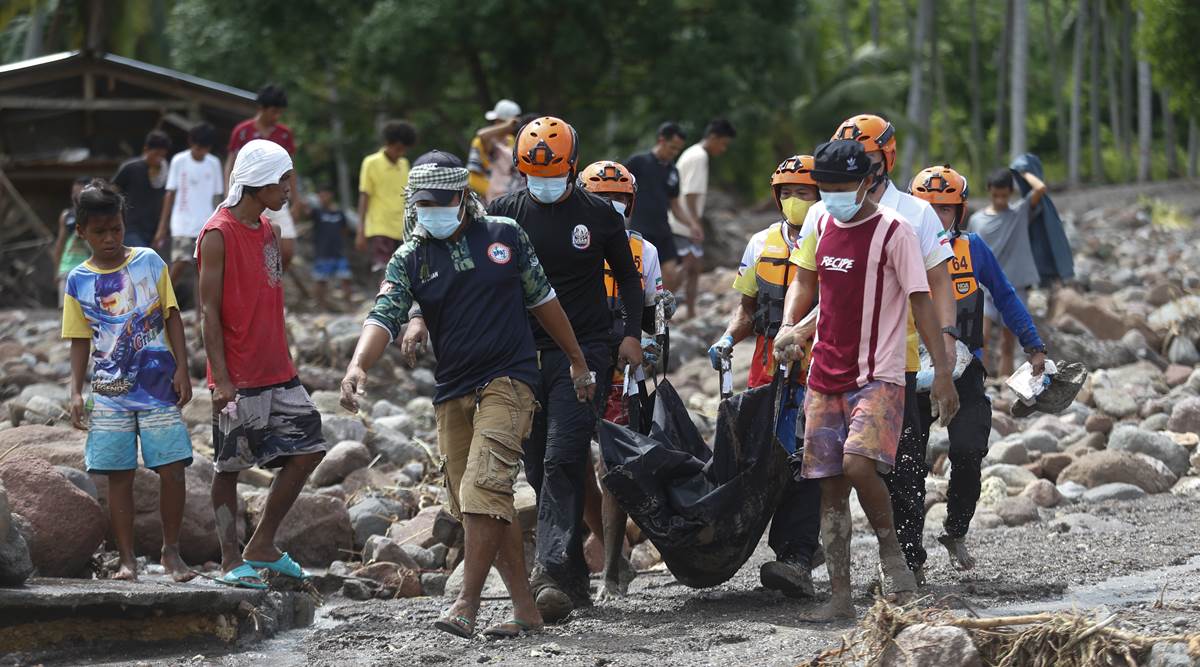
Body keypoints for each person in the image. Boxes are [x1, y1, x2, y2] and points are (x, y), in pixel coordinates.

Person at [341, 150, 591, 639]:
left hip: (511, 379)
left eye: (439, 201)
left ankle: (466, 603)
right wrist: (357, 364)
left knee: (484, 488)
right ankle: (525, 609)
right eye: (422, 202)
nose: (430, 210)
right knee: (479, 503)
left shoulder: (505, 235)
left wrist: (578, 359)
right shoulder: (412, 254)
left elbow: (543, 300)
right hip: (452, 388)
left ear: (461, 197)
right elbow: (384, 313)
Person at [773, 140, 959, 621]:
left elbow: (921, 300)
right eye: (825, 188)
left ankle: (893, 555)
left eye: (840, 187)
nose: (831, 196)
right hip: (824, 374)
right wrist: (792, 330)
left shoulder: (895, 231)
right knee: (829, 487)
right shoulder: (819, 223)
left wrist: (943, 373)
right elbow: (818, 292)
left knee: (858, 466)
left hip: (879, 373)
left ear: (865, 181)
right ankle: (839, 596)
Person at [486, 116, 644, 622]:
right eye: (535, 174)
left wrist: (631, 336)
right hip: (522, 355)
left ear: (572, 168)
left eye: (554, 173)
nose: (545, 183)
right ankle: (574, 577)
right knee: (539, 465)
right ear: (520, 169)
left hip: (586, 353)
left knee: (562, 455)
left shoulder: (599, 215)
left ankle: (549, 571)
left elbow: (629, 280)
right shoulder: (504, 213)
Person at [198, 139, 327, 589]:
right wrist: (221, 380)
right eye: (284, 181)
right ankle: (230, 560)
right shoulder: (217, 233)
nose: (290, 189)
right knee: (229, 467)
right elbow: (208, 312)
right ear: (260, 184)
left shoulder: (269, 230)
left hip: (279, 369)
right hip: (238, 376)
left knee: (310, 448)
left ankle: (262, 545)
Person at [910, 164, 1047, 572]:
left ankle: (955, 530)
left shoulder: (973, 249)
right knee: (907, 462)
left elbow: (1005, 295)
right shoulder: (897, 251)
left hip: (965, 367)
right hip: (910, 369)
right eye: (927, 209)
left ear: (961, 212)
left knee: (969, 452)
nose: (936, 218)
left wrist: (1033, 346)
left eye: (946, 210)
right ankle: (907, 554)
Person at [61, 180, 195, 582]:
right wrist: (75, 390)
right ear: (81, 232)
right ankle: (127, 560)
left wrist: (183, 369)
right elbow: (80, 339)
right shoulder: (77, 281)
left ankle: (172, 553)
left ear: (124, 224)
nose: (110, 239)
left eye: (116, 229)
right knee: (119, 475)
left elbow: (172, 315)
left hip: (158, 386)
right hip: (110, 392)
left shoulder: (149, 262)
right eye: (99, 232)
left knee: (172, 467)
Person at [708, 154, 823, 597]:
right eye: (788, 194)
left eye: (805, 194)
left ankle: (796, 555)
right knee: (763, 458)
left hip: (816, 370)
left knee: (805, 460)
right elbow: (747, 309)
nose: (795, 202)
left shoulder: (832, 241)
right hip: (766, 372)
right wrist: (725, 339)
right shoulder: (760, 244)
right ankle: (785, 547)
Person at [575, 159, 672, 598]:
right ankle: (583, 555)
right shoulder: (566, 247)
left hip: (622, 375)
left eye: (618, 200)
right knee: (567, 460)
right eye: (601, 199)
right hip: (574, 365)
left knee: (613, 466)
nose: (610, 207)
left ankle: (613, 566)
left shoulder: (644, 252)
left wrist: (650, 344)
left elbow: (652, 316)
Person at [967, 166, 1047, 376]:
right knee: (979, 338)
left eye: (1004, 195)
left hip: (1014, 288)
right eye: (996, 195)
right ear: (988, 191)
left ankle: (1004, 383)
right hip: (985, 288)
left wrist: (1022, 172)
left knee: (1008, 342)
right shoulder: (977, 220)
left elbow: (1040, 189)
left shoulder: (1018, 213)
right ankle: (979, 382)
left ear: (1010, 193)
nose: (1000, 200)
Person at [226, 84, 300, 269]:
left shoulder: (284, 134)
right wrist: (230, 193)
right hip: (249, 196)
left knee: (287, 247)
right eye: (274, 111)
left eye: (280, 112)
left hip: (277, 196)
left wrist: (296, 199)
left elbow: (291, 168)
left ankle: (270, 282)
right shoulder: (243, 131)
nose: (277, 117)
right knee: (247, 243)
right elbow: (232, 163)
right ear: (261, 108)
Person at [155, 122, 224, 318]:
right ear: (191, 143)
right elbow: (170, 193)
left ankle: (201, 316)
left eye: (204, 148)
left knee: (202, 272)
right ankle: (155, 303)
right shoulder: (179, 161)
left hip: (206, 223)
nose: (200, 151)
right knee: (179, 263)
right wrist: (162, 227)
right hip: (182, 223)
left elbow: (217, 196)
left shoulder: (213, 163)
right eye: (197, 147)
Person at [669, 118, 736, 319]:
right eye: (723, 143)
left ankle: (690, 311)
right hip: (683, 222)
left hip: (682, 220)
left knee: (694, 266)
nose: (723, 149)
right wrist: (695, 223)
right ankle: (660, 307)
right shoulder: (699, 157)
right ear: (713, 138)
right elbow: (690, 193)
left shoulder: (693, 153)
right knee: (687, 266)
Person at [624, 122, 688, 290]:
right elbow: (620, 187)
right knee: (640, 276)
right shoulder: (638, 162)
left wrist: (692, 224)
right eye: (672, 148)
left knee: (672, 273)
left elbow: (675, 204)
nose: (674, 153)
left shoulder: (673, 171)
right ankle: (644, 312)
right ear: (661, 140)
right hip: (641, 228)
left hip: (663, 228)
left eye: (678, 150)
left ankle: (662, 314)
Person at [356, 120, 417, 273]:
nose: (400, 153)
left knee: (403, 270)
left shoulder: (404, 164)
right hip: (380, 226)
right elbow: (364, 196)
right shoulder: (371, 162)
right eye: (397, 149)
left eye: (404, 150)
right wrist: (360, 231)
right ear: (388, 143)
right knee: (384, 269)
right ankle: (385, 297)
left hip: (402, 227)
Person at [111, 130, 170, 248]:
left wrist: (162, 229)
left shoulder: (166, 172)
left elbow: (167, 200)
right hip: (131, 228)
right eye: (156, 154)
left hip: (154, 230)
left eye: (162, 155)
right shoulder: (130, 168)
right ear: (146, 149)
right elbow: (112, 191)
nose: (159, 159)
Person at [468, 99, 522, 203]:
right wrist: (507, 125)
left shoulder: (510, 140)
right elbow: (482, 134)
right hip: (486, 193)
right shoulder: (484, 140)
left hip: (505, 190)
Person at [310, 184, 354, 309]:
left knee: (345, 279)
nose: (322, 198)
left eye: (325, 194)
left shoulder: (340, 213)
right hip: (322, 253)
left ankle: (349, 306)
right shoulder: (316, 212)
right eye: (320, 195)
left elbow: (344, 230)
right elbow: (305, 211)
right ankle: (320, 307)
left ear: (331, 195)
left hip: (339, 252)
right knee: (321, 281)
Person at [52, 177, 91, 302]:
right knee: (65, 308)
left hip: (87, 269)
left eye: (80, 193)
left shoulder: (95, 216)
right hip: (67, 268)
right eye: (74, 193)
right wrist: (57, 270)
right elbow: (60, 244)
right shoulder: (67, 215)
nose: (76, 196)